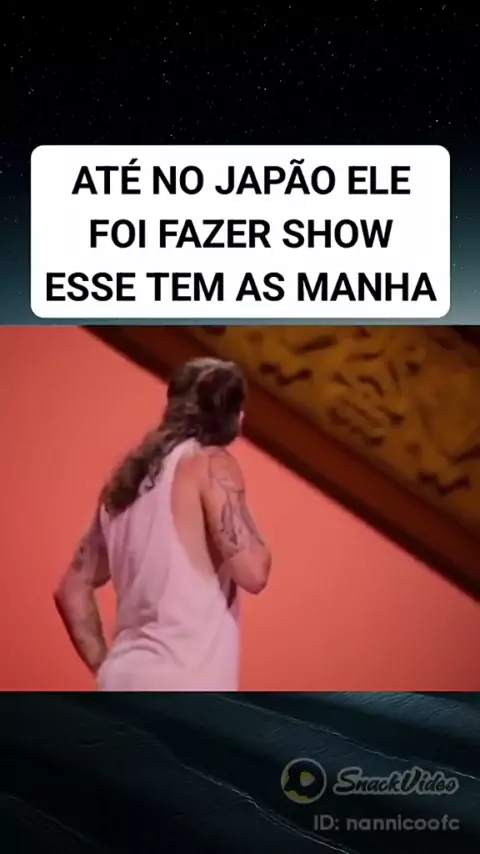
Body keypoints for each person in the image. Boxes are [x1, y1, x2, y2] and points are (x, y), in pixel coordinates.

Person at [53, 357, 271, 691]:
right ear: (235, 416)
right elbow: (254, 572)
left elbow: (71, 589)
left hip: (121, 683)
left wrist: (107, 669)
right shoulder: (210, 464)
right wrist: (242, 508)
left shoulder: (124, 483)